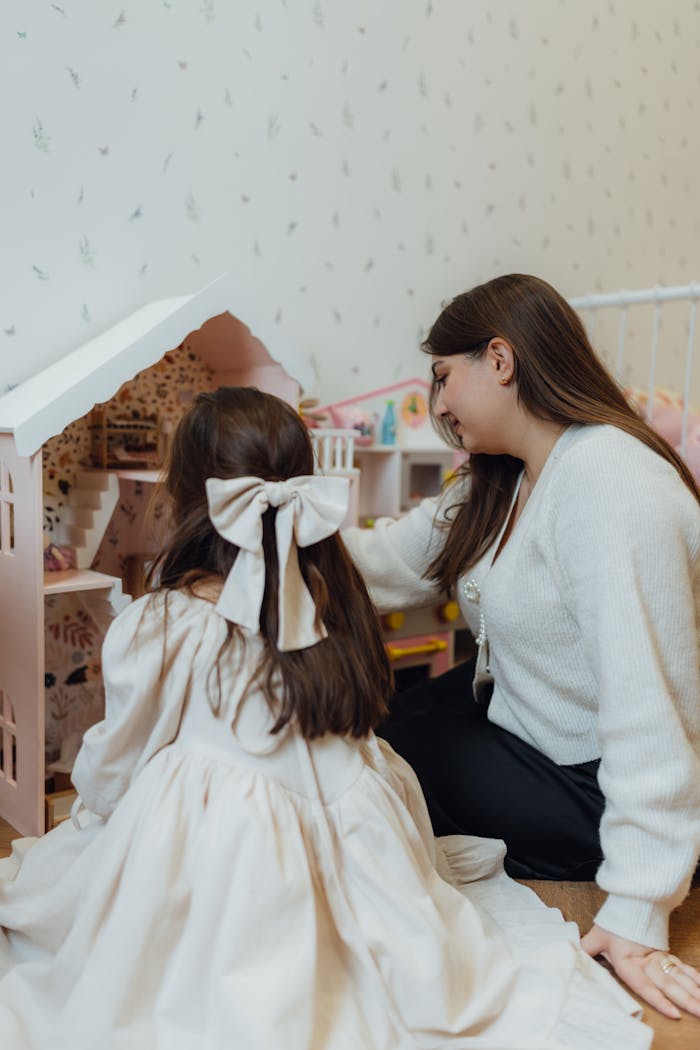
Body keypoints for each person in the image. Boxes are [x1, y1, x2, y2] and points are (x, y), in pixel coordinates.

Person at [0, 386, 654, 1049]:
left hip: (235, 839)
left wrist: (98, 809)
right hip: (355, 819)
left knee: (90, 892)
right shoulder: (332, 595)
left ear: (191, 491)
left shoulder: (162, 621)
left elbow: (122, 751)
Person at [342, 272, 700, 1023]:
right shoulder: (503, 478)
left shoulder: (612, 486)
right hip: (520, 710)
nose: (438, 405)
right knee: (380, 724)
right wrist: (265, 551)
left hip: (596, 776)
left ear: (499, 360)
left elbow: (653, 711)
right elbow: (388, 563)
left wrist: (638, 910)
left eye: (443, 378)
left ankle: (609, 861)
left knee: (381, 764)